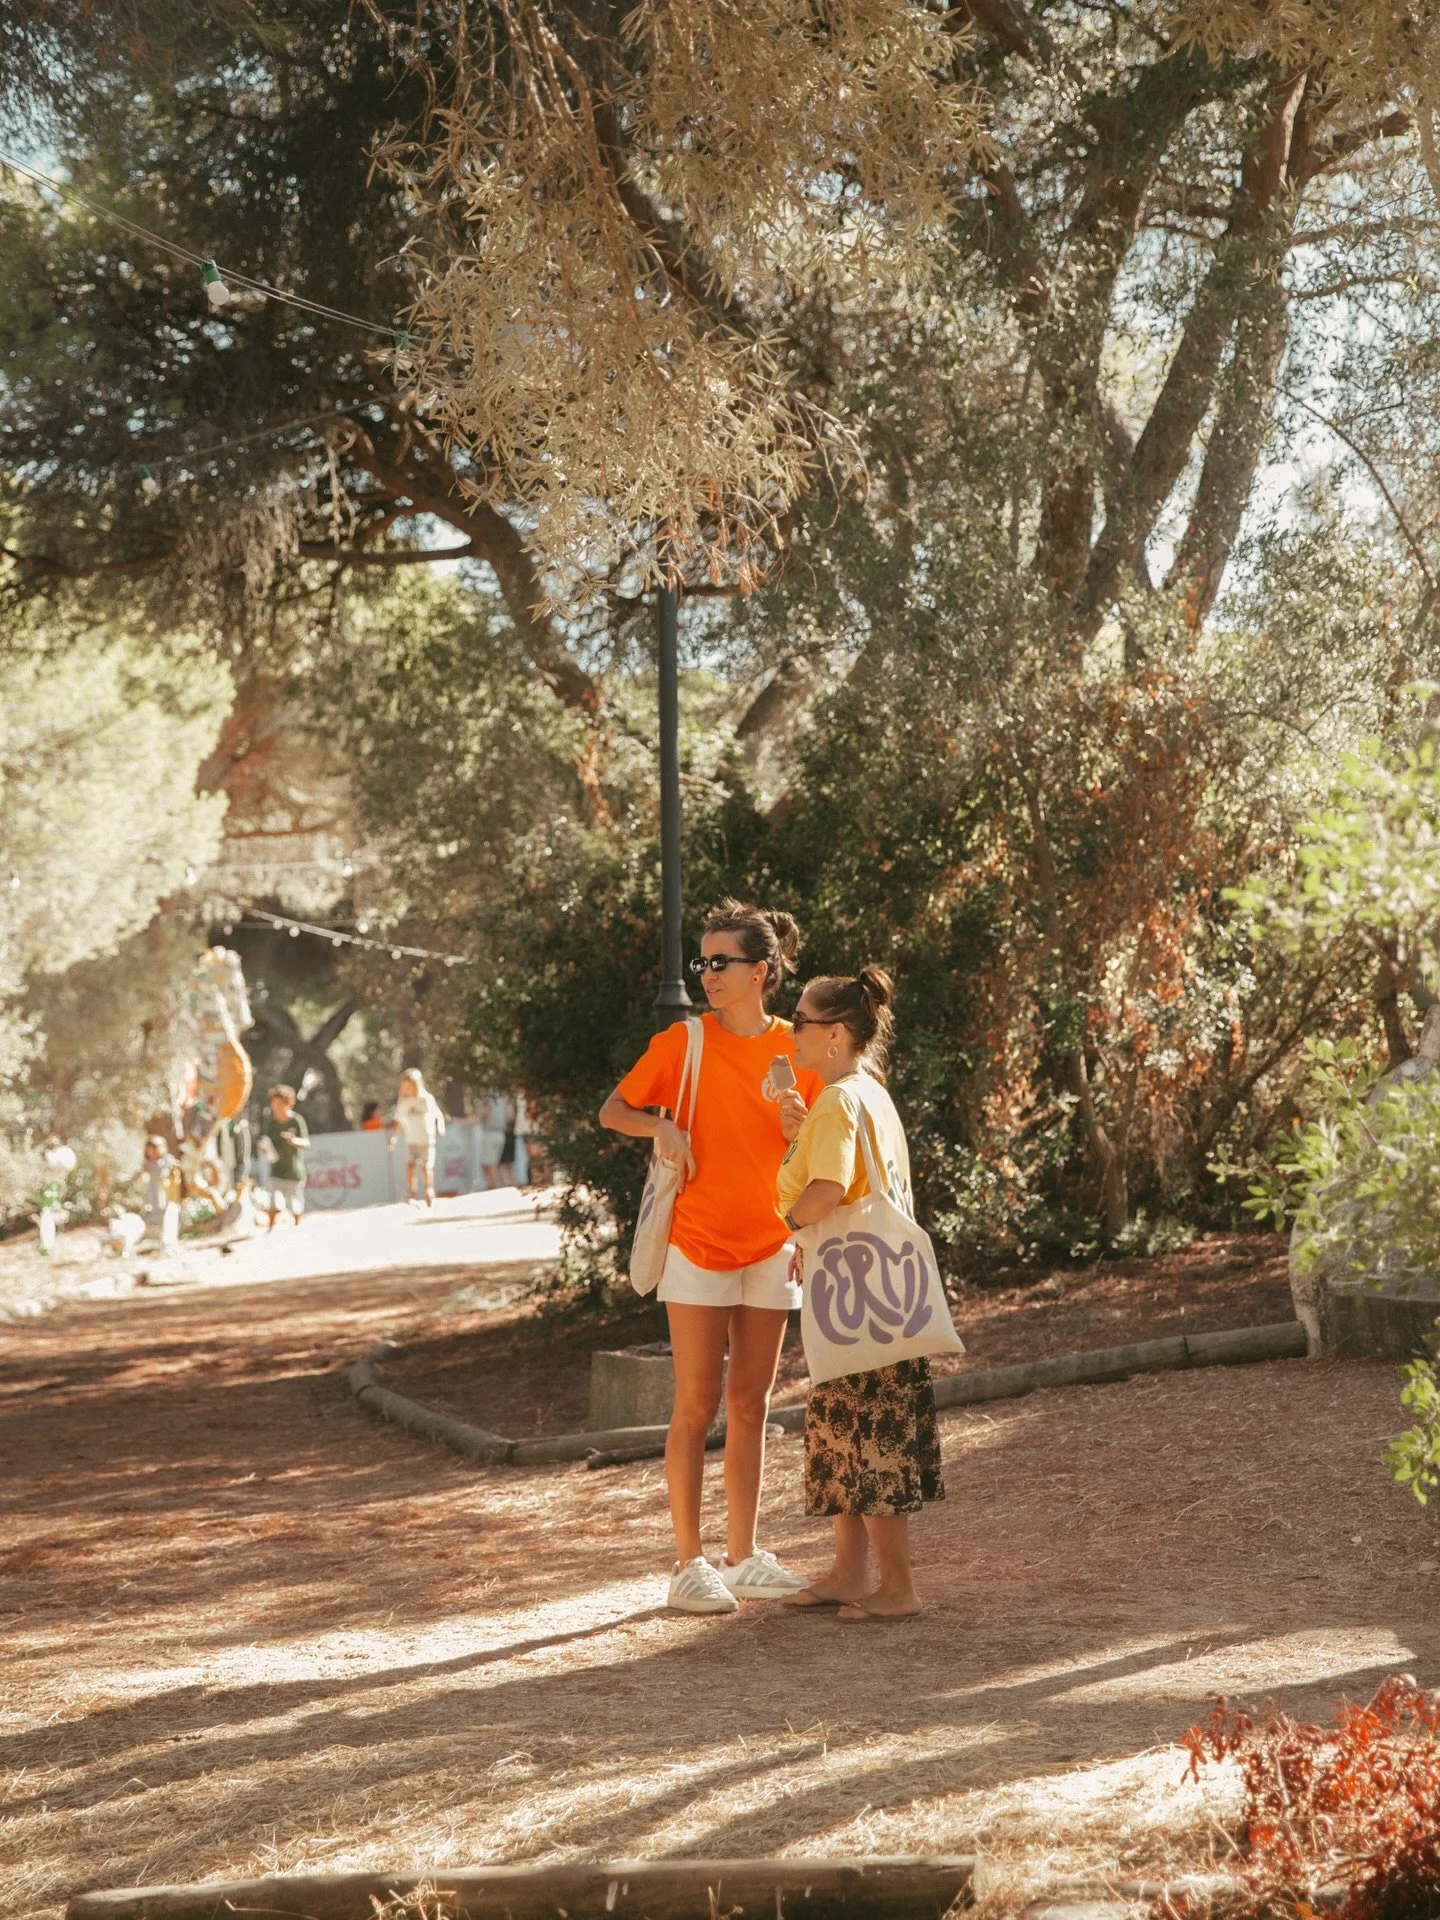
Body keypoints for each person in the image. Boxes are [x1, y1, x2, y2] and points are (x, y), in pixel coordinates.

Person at [599, 900, 825, 1615]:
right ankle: (688, 1563)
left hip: (773, 1246)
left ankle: (743, 1556)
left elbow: (818, 1148)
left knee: (752, 1404)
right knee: (695, 1406)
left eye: (720, 961)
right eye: (702, 961)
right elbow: (613, 1109)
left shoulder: (797, 1049)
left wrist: (798, 1129)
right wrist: (660, 1131)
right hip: (695, 1244)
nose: (707, 973)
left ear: (761, 971)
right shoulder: (684, 1041)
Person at [776, 966, 943, 1622]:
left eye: (801, 1022)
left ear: (837, 1034)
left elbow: (825, 1191)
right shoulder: (868, 1092)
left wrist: (789, 1227)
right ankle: (849, 1574)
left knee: (870, 1434)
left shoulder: (838, 1101)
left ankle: (897, 1588)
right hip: (877, 1289)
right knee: (844, 1431)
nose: (791, 1033)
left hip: (858, 1298)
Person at [389, 1069, 447, 1205]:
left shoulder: (426, 1099)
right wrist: (393, 1138)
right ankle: (412, 1193)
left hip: (426, 1139)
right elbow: (398, 1121)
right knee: (410, 1166)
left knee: (425, 1167)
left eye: (409, 1086)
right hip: (411, 1140)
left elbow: (437, 1115)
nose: (407, 1090)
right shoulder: (403, 1102)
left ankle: (429, 1189)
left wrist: (440, 1127)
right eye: (404, 1087)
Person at [261, 1084, 309, 1230]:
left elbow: (306, 1143)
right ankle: (270, 1230)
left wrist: (293, 1140)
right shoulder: (271, 1123)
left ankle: (298, 1228)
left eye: (279, 1103)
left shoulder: (296, 1120)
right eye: (274, 1104)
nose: (276, 1107)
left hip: (293, 1171)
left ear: (289, 1103)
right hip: (276, 1170)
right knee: (273, 1201)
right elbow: (267, 1143)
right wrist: (265, 1150)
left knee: (295, 1204)